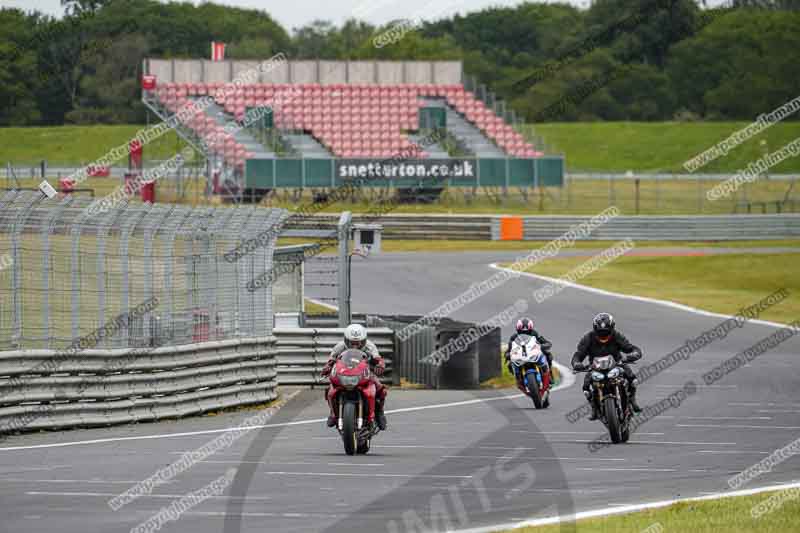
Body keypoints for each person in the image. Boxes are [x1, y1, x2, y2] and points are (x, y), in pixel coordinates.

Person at [571, 312, 642, 420]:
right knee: (586, 387)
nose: (603, 337)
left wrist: (632, 355)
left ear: (612, 329)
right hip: (595, 367)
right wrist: (577, 363)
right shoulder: (588, 338)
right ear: (595, 330)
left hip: (616, 365)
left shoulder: (616, 336)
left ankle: (632, 399)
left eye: (606, 333)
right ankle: (594, 407)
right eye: (600, 333)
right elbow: (578, 354)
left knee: (633, 379)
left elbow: (630, 348)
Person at [321, 324, 388, 430]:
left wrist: (380, 364)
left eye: (358, 343)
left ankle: (379, 412)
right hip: (344, 372)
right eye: (352, 343)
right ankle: (333, 413)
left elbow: (377, 358)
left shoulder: (370, 346)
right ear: (346, 341)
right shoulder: (340, 346)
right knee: (330, 390)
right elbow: (331, 360)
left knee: (380, 387)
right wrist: (327, 367)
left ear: (364, 340)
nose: (355, 346)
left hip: (365, 372)